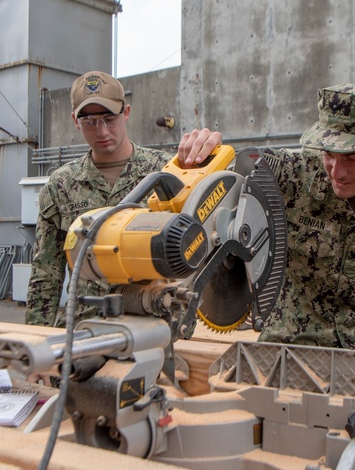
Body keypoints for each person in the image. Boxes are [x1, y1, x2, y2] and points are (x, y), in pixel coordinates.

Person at [179, 84, 355, 360]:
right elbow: (213, 194)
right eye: (328, 154)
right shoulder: (286, 175)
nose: (336, 172)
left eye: (353, 157)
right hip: (286, 350)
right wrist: (196, 162)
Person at [25, 71, 214, 328]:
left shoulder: (167, 173)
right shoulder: (61, 185)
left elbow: (204, 245)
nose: (101, 130)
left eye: (109, 118)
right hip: (86, 328)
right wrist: (36, 342)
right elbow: (45, 274)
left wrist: (209, 159)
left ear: (125, 113)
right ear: (75, 121)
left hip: (157, 327)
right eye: (90, 120)